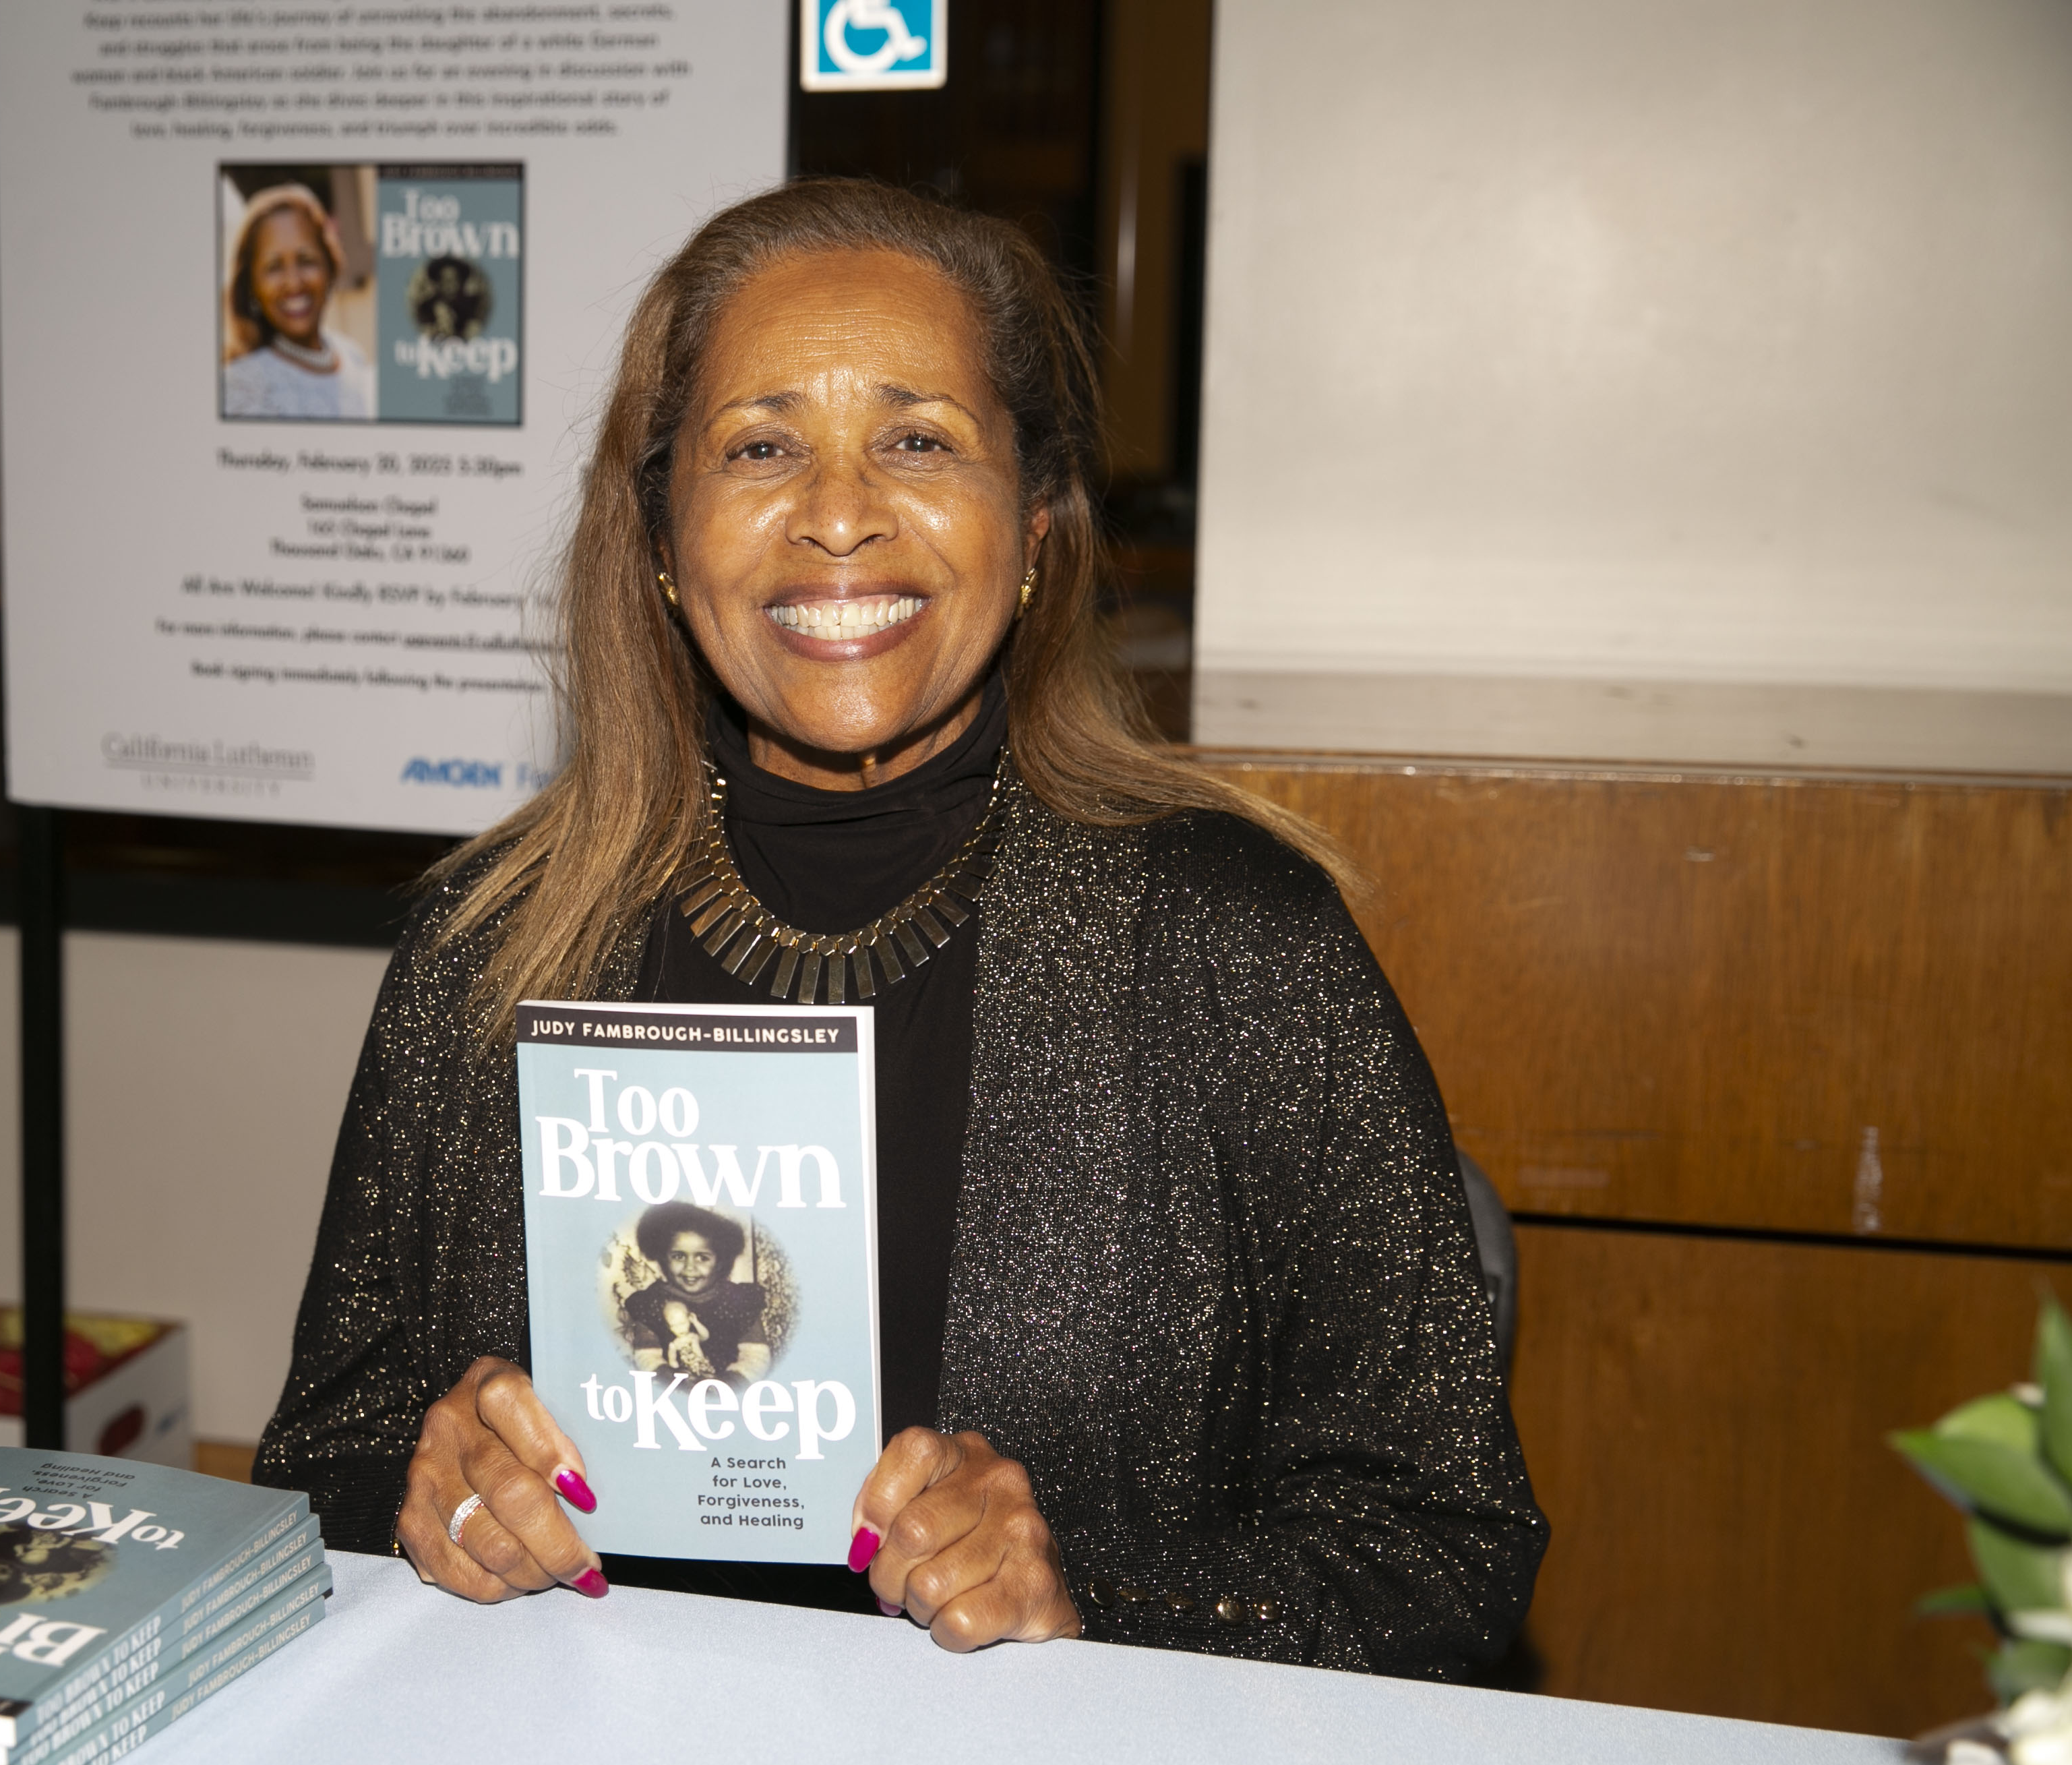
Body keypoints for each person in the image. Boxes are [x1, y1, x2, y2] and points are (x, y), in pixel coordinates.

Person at [255, 178, 1546, 1673]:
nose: (839, 513)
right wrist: (427, 1497)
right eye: (760, 448)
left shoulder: (1237, 948)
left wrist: (1091, 1599)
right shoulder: (489, 948)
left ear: (1036, 521)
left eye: (919, 441)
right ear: (664, 535)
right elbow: (316, 1472)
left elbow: (1445, 1549)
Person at [221, 183, 373, 420]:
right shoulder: (241, 388)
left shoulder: (354, 357)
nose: (294, 283)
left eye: (306, 260)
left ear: (329, 266)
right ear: (251, 286)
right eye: (274, 267)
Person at [619, 1203, 772, 1384]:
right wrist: (671, 1379)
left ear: (720, 1262)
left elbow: (756, 1357)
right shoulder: (651, 1303)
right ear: (663, 1259)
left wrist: (728, 1383)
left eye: (702, 1258)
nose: (690, 1268)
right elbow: (647, 1357)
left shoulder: (740, 1300)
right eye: (679, 1256)